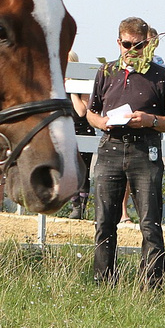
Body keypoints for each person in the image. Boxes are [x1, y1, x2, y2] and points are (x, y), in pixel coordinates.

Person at [86, 17, 165, 287]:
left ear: (146, 44)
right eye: (127, 44)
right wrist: (100, 122)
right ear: (118, 42)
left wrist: (149, 119)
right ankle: (103, 282)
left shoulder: (161, 77)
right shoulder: (105, 72)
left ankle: (150, 285)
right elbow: (91, 112)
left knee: (150, 223)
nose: (132, 50)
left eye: (138, 45)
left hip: (144, 149)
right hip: (110, 147)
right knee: (104, 222)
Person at [68, 51, 94, 218]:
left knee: (83, 171)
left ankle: (81, 208)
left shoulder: (83, 84)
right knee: (69, 171)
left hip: (83, 130)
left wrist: (71, 89)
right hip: (66, 131)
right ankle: (74, 205)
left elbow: (81, 110)